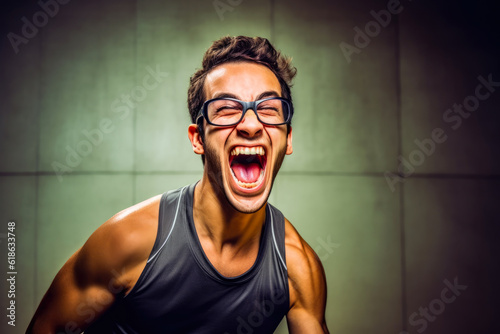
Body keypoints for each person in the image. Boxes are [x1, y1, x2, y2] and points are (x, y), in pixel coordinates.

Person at [27, 36, 329, 334]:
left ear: (287, 138)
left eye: (268, 109)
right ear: (198, 138)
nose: (250, 125)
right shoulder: (128, 241)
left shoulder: (298, 269)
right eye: (225, 109)